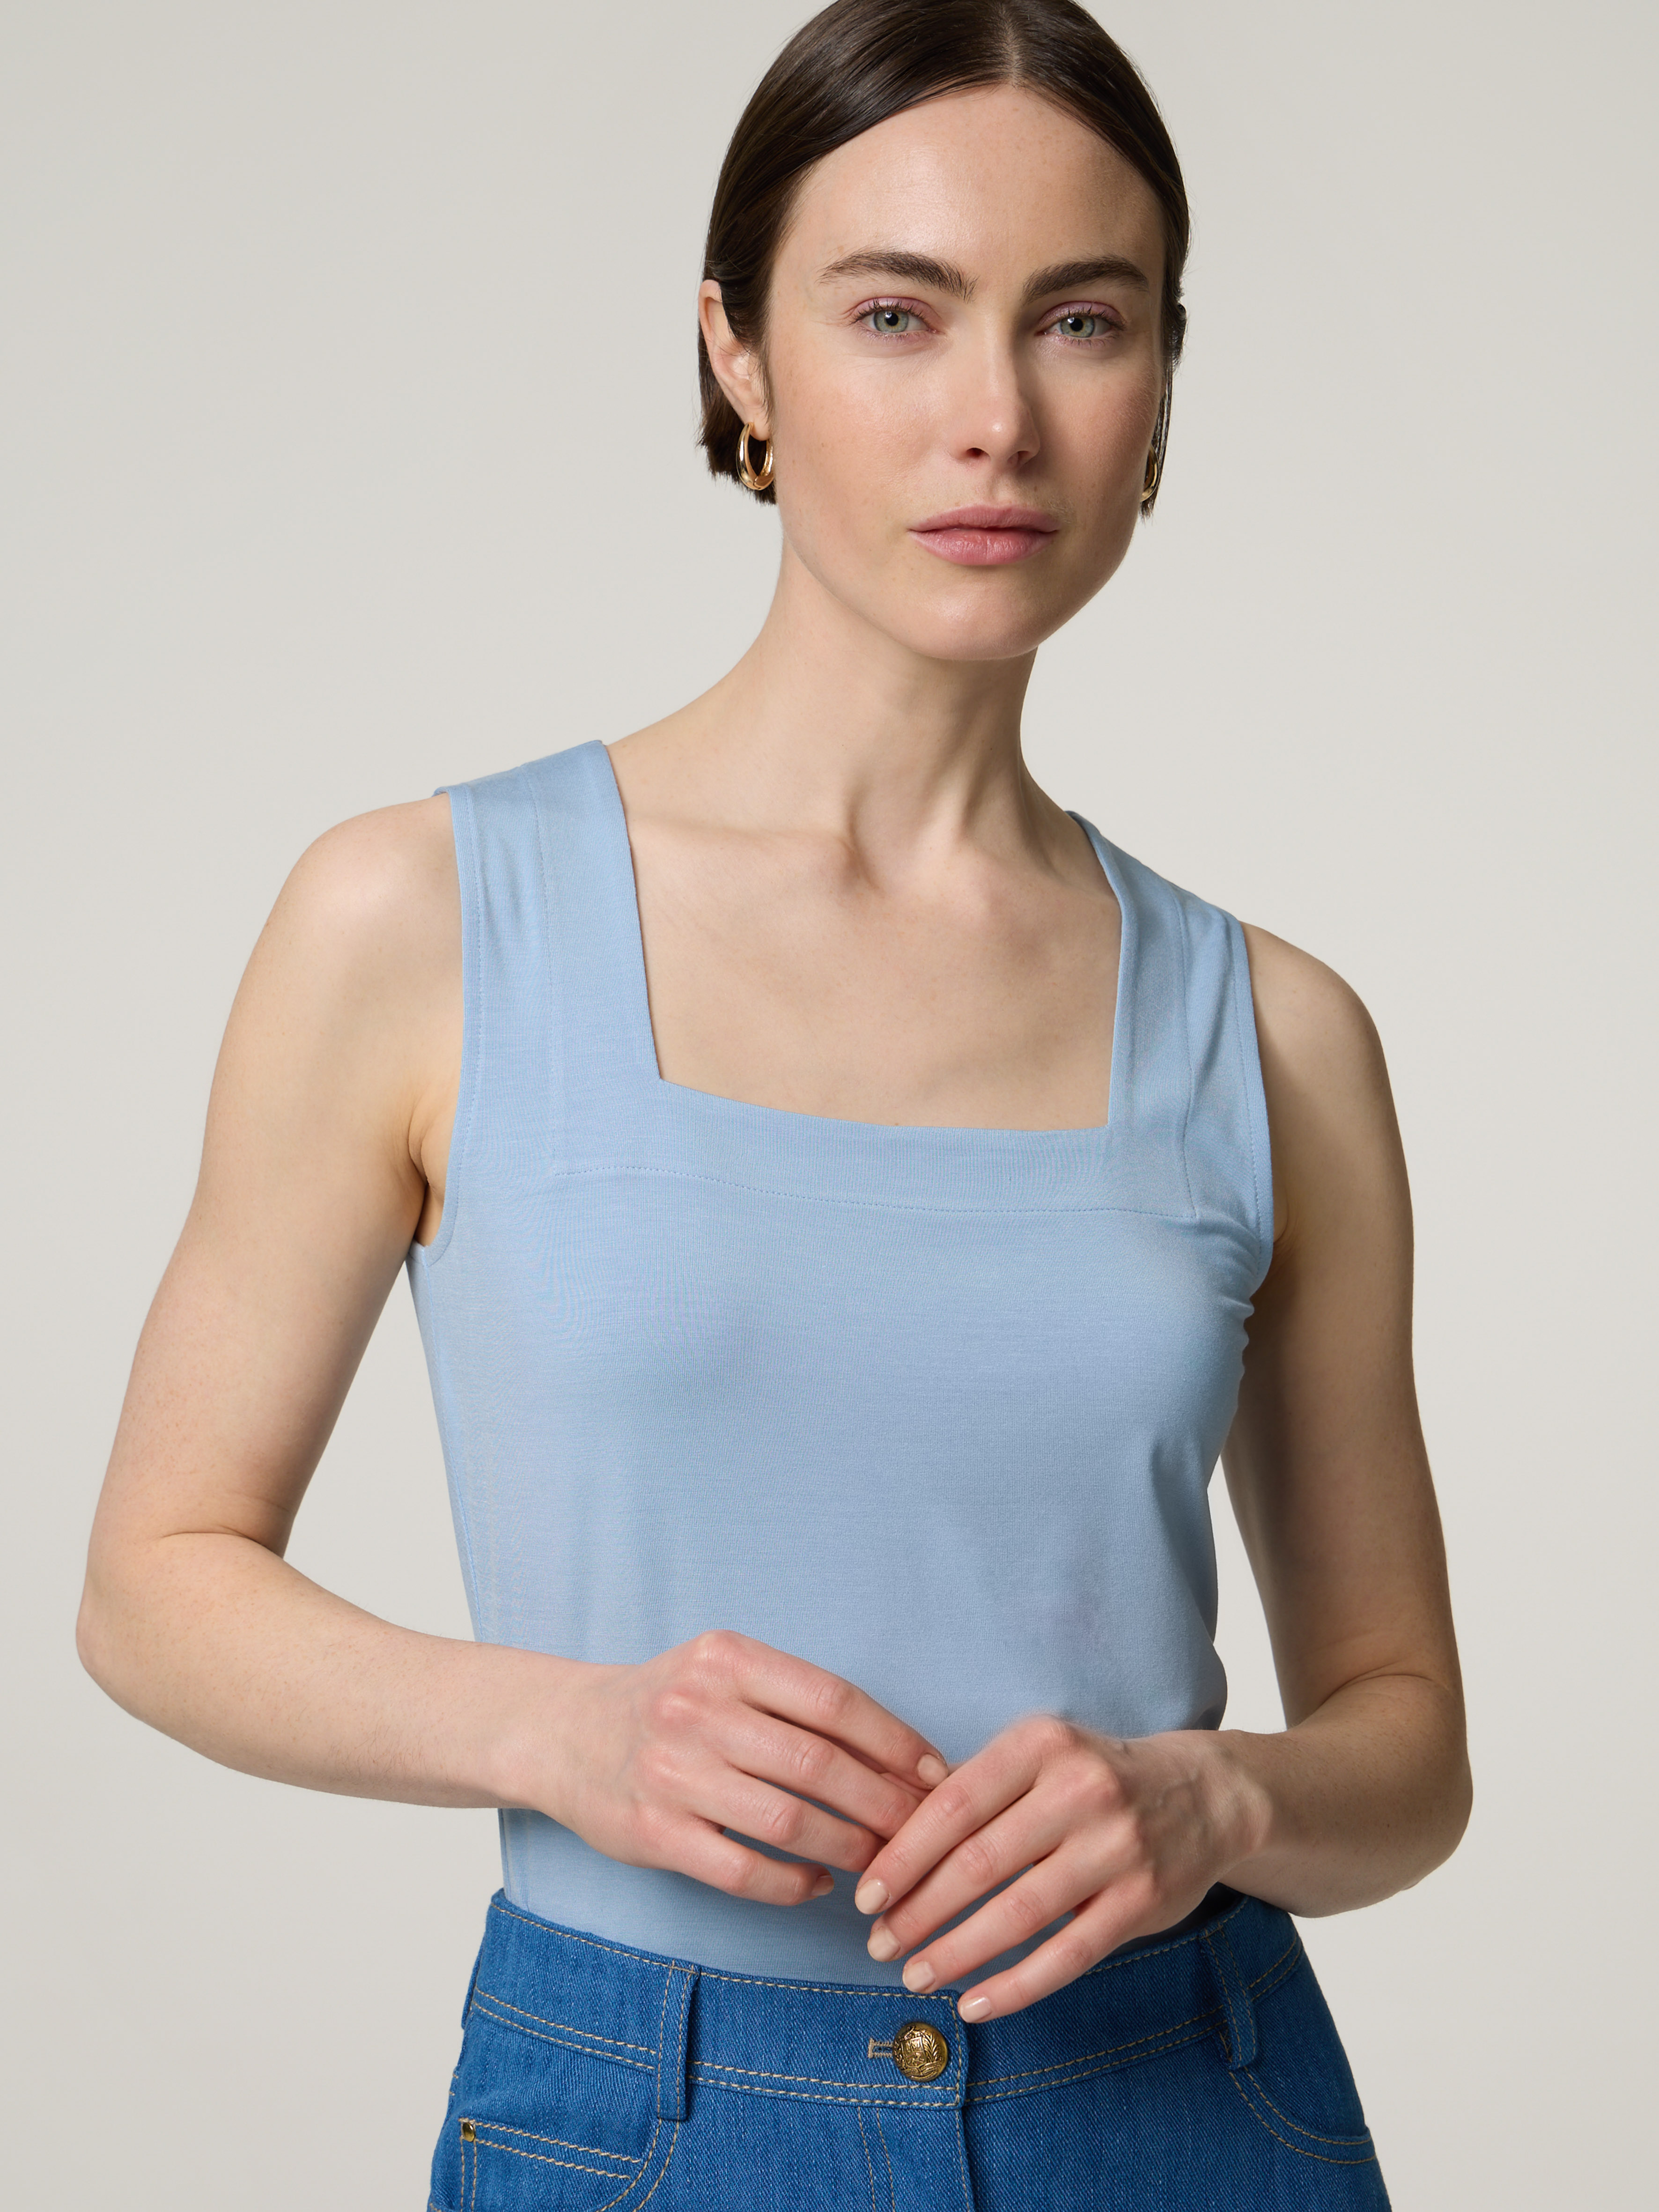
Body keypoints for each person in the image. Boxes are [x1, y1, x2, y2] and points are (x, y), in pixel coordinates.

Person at [78, 0, 1469, 2202]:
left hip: (1180, 2103)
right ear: (736, 353)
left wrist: (1211, 1797)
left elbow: (1405, 1740)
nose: (995, 416)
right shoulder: (421, 920)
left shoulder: (1275, 1031)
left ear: (1159, 384)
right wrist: (562, 1725)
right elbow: (154, 1581)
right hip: (644, 2110)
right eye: (894, 313)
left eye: (1082, 320)